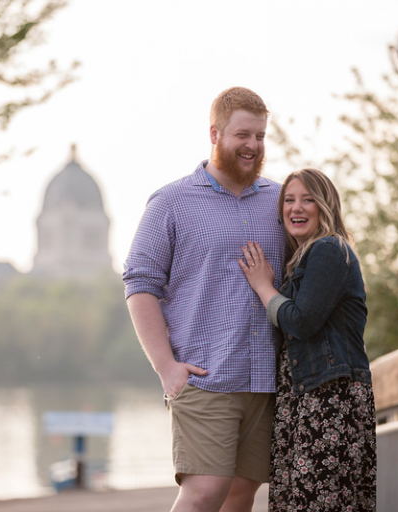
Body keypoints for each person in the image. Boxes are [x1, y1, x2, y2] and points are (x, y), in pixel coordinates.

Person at [123, 87, 286, 512]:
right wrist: (166, 368)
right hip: (205, 375)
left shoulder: (281, 200)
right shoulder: (171, 202)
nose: (252, 146)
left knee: (241, 493)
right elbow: (140, 283)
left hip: (265, 378)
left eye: (261, 136)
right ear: (215, 134)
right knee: (204, 492)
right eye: (243, 135)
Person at [238, 168, 377, 511]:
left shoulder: (330, 249)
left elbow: (301, 323)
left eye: (308, 199)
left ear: (325, 205)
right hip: (302, 400)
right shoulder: (301, 259)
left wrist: (262, 286)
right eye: (289, 200)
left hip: (329, 400)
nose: (296, 208)